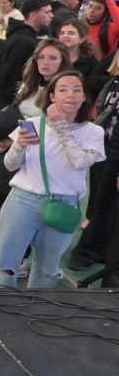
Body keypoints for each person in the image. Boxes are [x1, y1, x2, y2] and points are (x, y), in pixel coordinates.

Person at [0, 71, 104, 288]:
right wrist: (19, 144)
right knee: (4, 262)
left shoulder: (93, 132)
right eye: (62, 89)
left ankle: (38, 311)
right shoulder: (33, 123)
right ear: (52, 96)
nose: (70, 95)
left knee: (48, 269)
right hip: (23, 200)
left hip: (64, 205)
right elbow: (10, 164)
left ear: (85, 97)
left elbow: (80, 162)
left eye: (77, 90)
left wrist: (60, 126)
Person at [0, 39, 69, 259]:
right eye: (41, 57)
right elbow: (12, 113)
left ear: (63, 61)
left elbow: (52, 129)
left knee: (22, 212)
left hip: (36, 160)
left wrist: (11, 141)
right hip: (8, 152)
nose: (45, 63)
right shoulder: (29, 85)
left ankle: (20, 255)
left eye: (53, 58)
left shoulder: (65, 91)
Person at [67, 54, 119, 271]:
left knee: (105, 204)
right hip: (105, 148)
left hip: (115, 154)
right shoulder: (113, 82)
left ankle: (89, 251)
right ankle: (99, 249)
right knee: (99, 200)